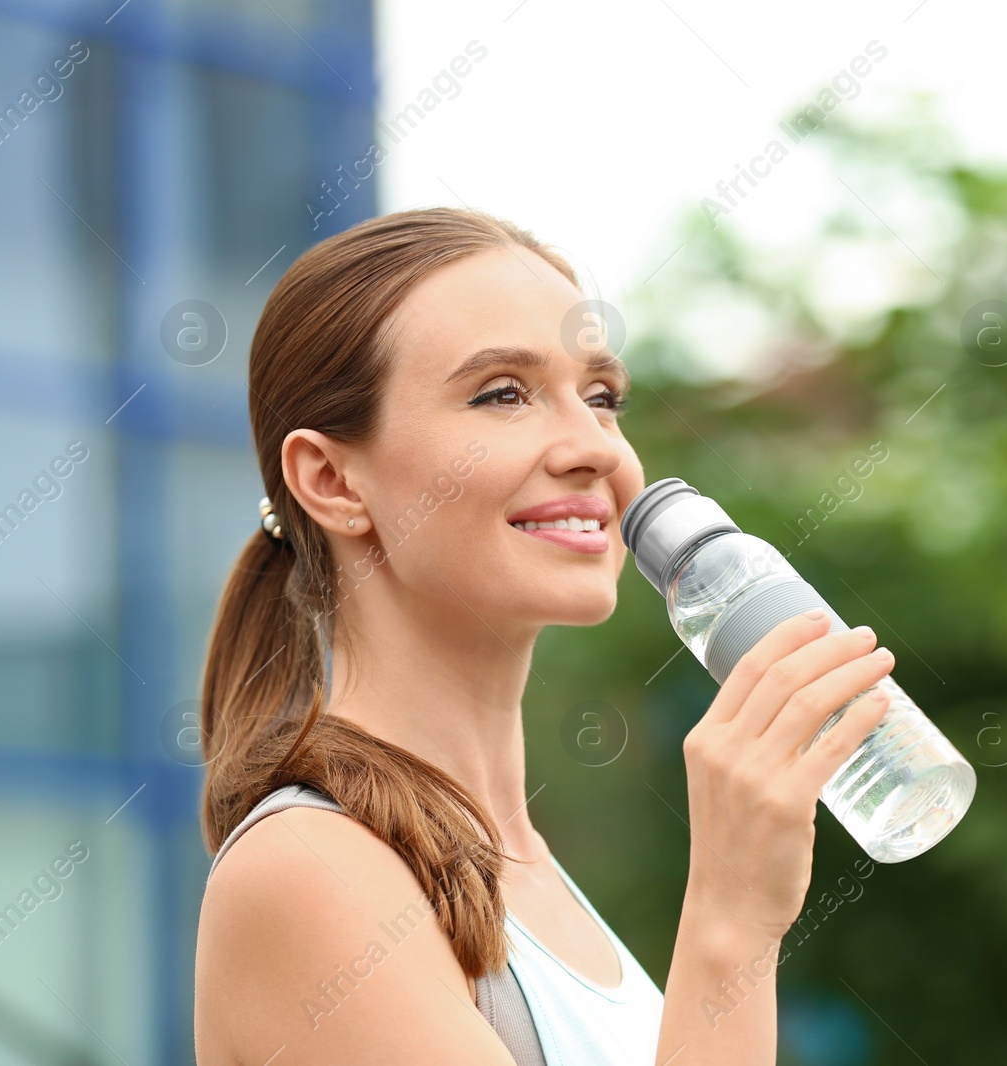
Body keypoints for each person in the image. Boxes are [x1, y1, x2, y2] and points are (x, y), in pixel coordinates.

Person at [191, 206, 896, 1065]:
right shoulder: (309, 873)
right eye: (502, 394)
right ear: (333, 480)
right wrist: (731, 919)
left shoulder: (523, 871)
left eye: (602, 397)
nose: (594, 447)